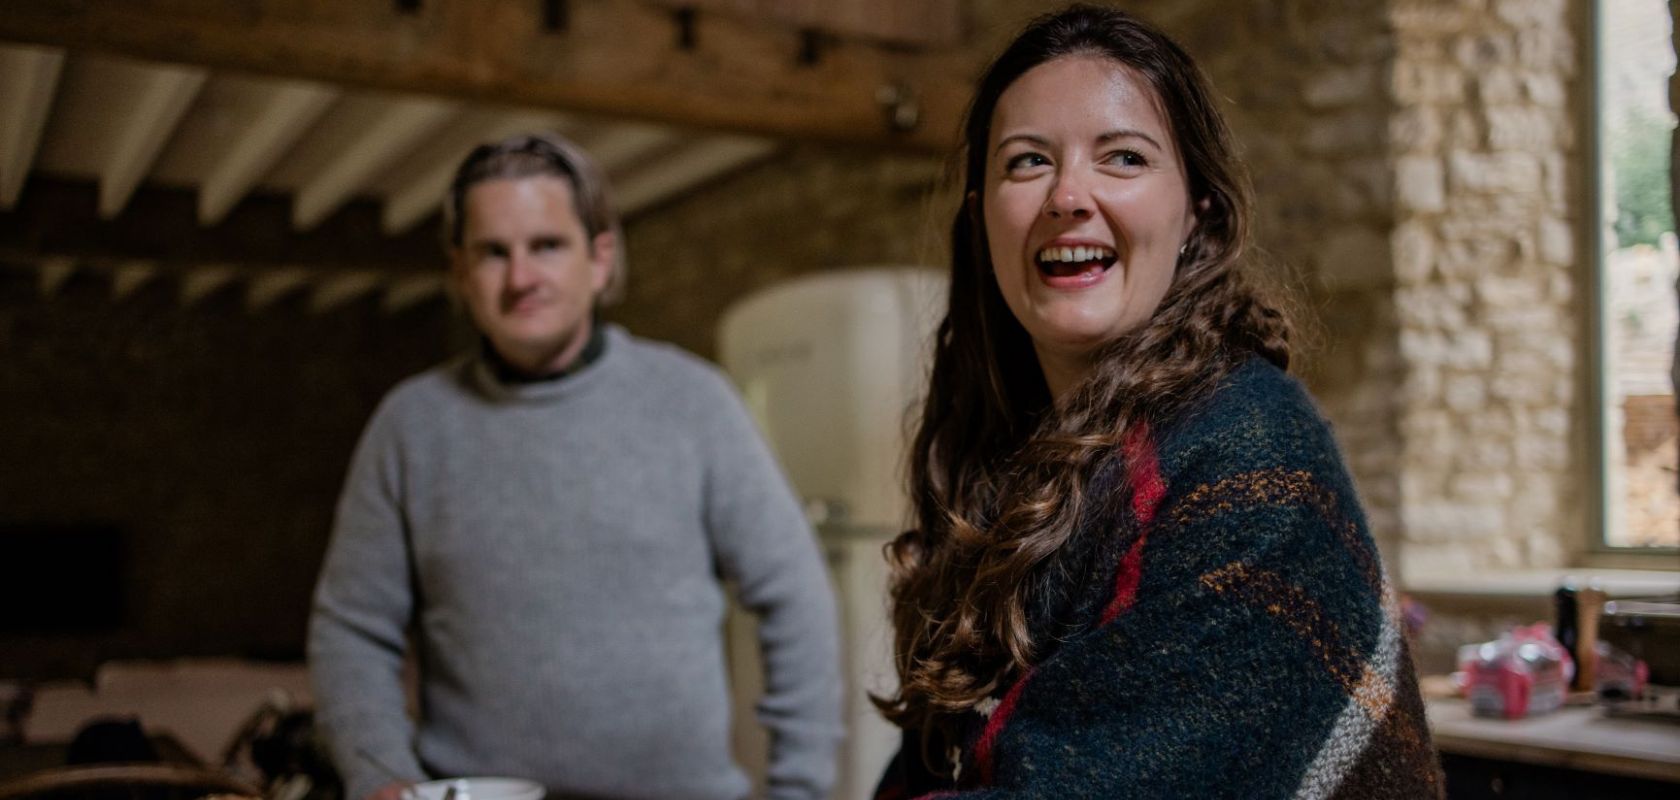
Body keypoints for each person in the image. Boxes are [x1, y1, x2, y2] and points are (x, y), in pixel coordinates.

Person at [871, 6, 1443, 798]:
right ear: (981, 218)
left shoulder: (1248, 449)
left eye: (1125, 158)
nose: (1069, 194)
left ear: (1195, 211)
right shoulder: (1003, 464)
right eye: (1027, 161)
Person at [308, 132, 842, 800]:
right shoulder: (410, 426)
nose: (521, 276)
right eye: (493, 253)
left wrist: (800, 788)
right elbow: (352, 627)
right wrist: (381, 775)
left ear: (600, 257)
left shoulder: (693, 401)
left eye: (547, 246)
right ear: (459, 272)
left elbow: (794, 595)